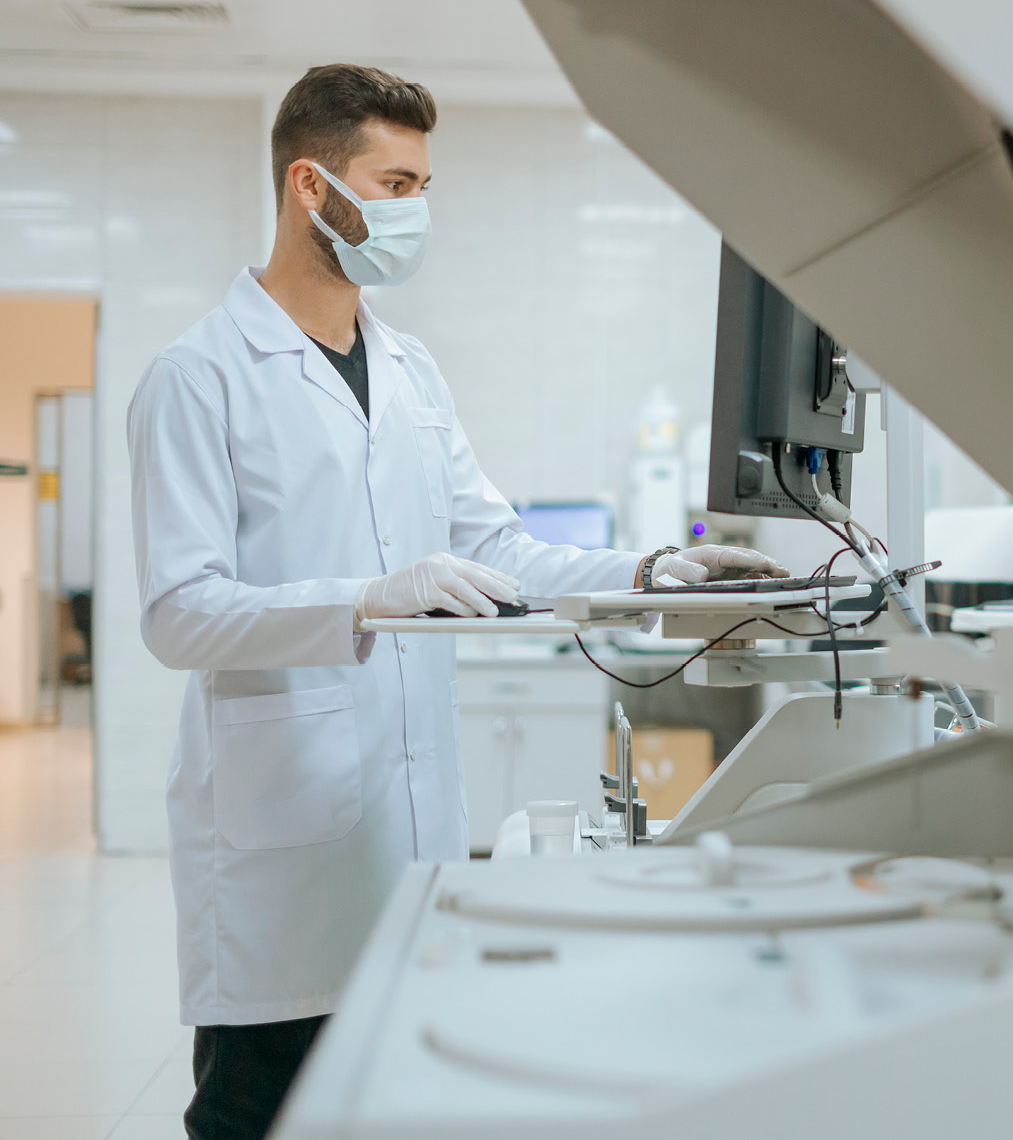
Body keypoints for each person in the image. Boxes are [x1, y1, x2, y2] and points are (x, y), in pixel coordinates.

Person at [127, 63, 784, 1140]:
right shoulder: (198, 376)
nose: (416, 210)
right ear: (310, 186)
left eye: (424, 183)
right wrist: (369, 600)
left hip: (409, 840)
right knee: (263, 1110)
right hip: (277, 846)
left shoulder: (412, 369)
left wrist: (651, 572)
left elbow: (499, 546)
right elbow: (178, 612)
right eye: (395, 182)